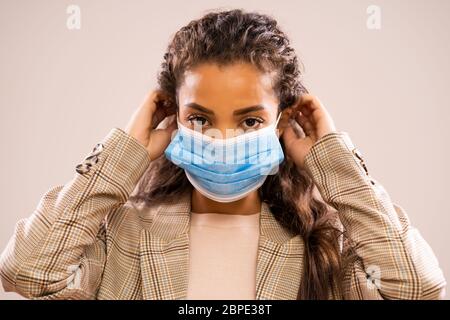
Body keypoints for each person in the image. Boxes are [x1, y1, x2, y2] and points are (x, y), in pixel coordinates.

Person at [0, 8, 446, 300]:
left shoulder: (327, 246)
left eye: (250, 120)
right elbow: (27, 271)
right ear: (172, 116)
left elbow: (416, 289)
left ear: (282, 122)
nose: (224, 138)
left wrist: (334, 162)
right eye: (200, 119)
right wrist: (125, 153)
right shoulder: (123, 236)